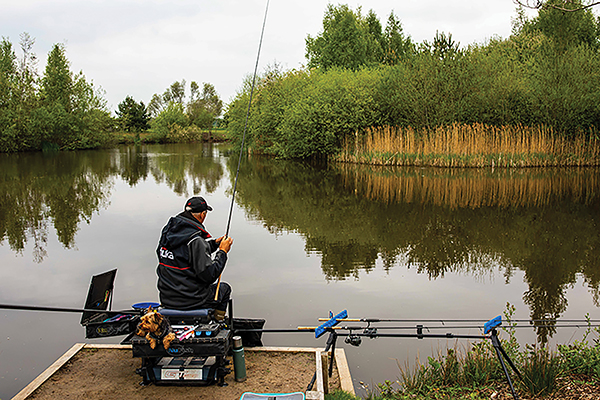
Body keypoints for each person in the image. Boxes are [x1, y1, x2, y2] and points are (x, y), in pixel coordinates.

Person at [156, 196, 233, 321]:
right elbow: (209, 275)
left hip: (167, 299)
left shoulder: (169, 233)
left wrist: (213, 244)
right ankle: (218, 321)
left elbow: (184, 254)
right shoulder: (196, 240)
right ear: (202, 215)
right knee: (224, 289)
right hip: (193, 301)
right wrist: (222, 252)